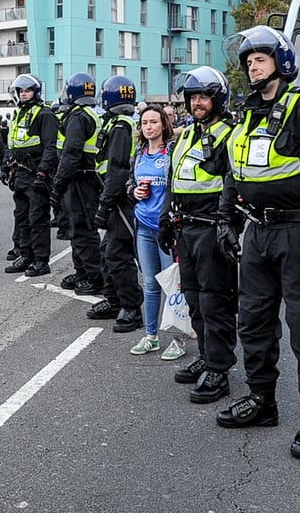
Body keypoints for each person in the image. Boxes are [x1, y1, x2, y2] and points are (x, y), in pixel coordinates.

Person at [214, 25, 300, 461]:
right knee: (252, 322)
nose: (252, 65)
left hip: (298, 232)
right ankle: (262, 400)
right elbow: (235, 171)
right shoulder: (246, 114)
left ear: (282, 63)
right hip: (257, 234)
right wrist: (226, 219)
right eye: (248, 60)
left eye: (261, 58)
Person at [161, 67, 237, 397]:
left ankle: (219, 369)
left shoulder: (229, 134)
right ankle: (207, 358)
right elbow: (174, 179)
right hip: (186, 227)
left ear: (217, 99)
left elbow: (233, 184)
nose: (196, 103)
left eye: (203, 97)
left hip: (211, 228)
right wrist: (166, 217)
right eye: (192, 98)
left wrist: (225, 221)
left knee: (214, 303)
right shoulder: (187, 134)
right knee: (194, 300)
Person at [86, 74, 144, 333]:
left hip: (120, 201)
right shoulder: (116, 123)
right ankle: (113, 299)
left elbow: (117, 169)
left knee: (118, 255)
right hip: (113, 197)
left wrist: (105, 203)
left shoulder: (120, 127)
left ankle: (131, 307)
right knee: (106, 251)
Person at [127, 104, 185, 360]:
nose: (148, 127)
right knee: (150, 284)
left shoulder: (171, 152)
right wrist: (134, 192)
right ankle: (151, 337)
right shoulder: (138, 155)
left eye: (153, 122)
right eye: (144, 123)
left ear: (163, 125)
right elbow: (131, 183)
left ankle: (178, 338)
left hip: (166, 229)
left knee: (172, 285)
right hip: (143, 228)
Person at [49, 73, 104, 295]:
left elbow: (71, 153)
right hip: (83, 177)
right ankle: (82, 272)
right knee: (76, 229)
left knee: (83, 230)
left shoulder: (77, 116)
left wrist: (58, 185)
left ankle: (93, 277)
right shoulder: (87, 113)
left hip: (80, 178)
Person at [5, 73, 59, 277]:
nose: (23, 94)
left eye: (27, 90)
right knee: (22, 218)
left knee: (38, 219)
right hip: (19, 173)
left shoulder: (44, 114)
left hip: (36, 174)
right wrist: (6, 166)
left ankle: (40, 260)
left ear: (35, 92)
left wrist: (43, 171)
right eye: (20, 91)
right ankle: (25, 255)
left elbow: (51, 146)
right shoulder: (19, 112)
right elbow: (13, 142)